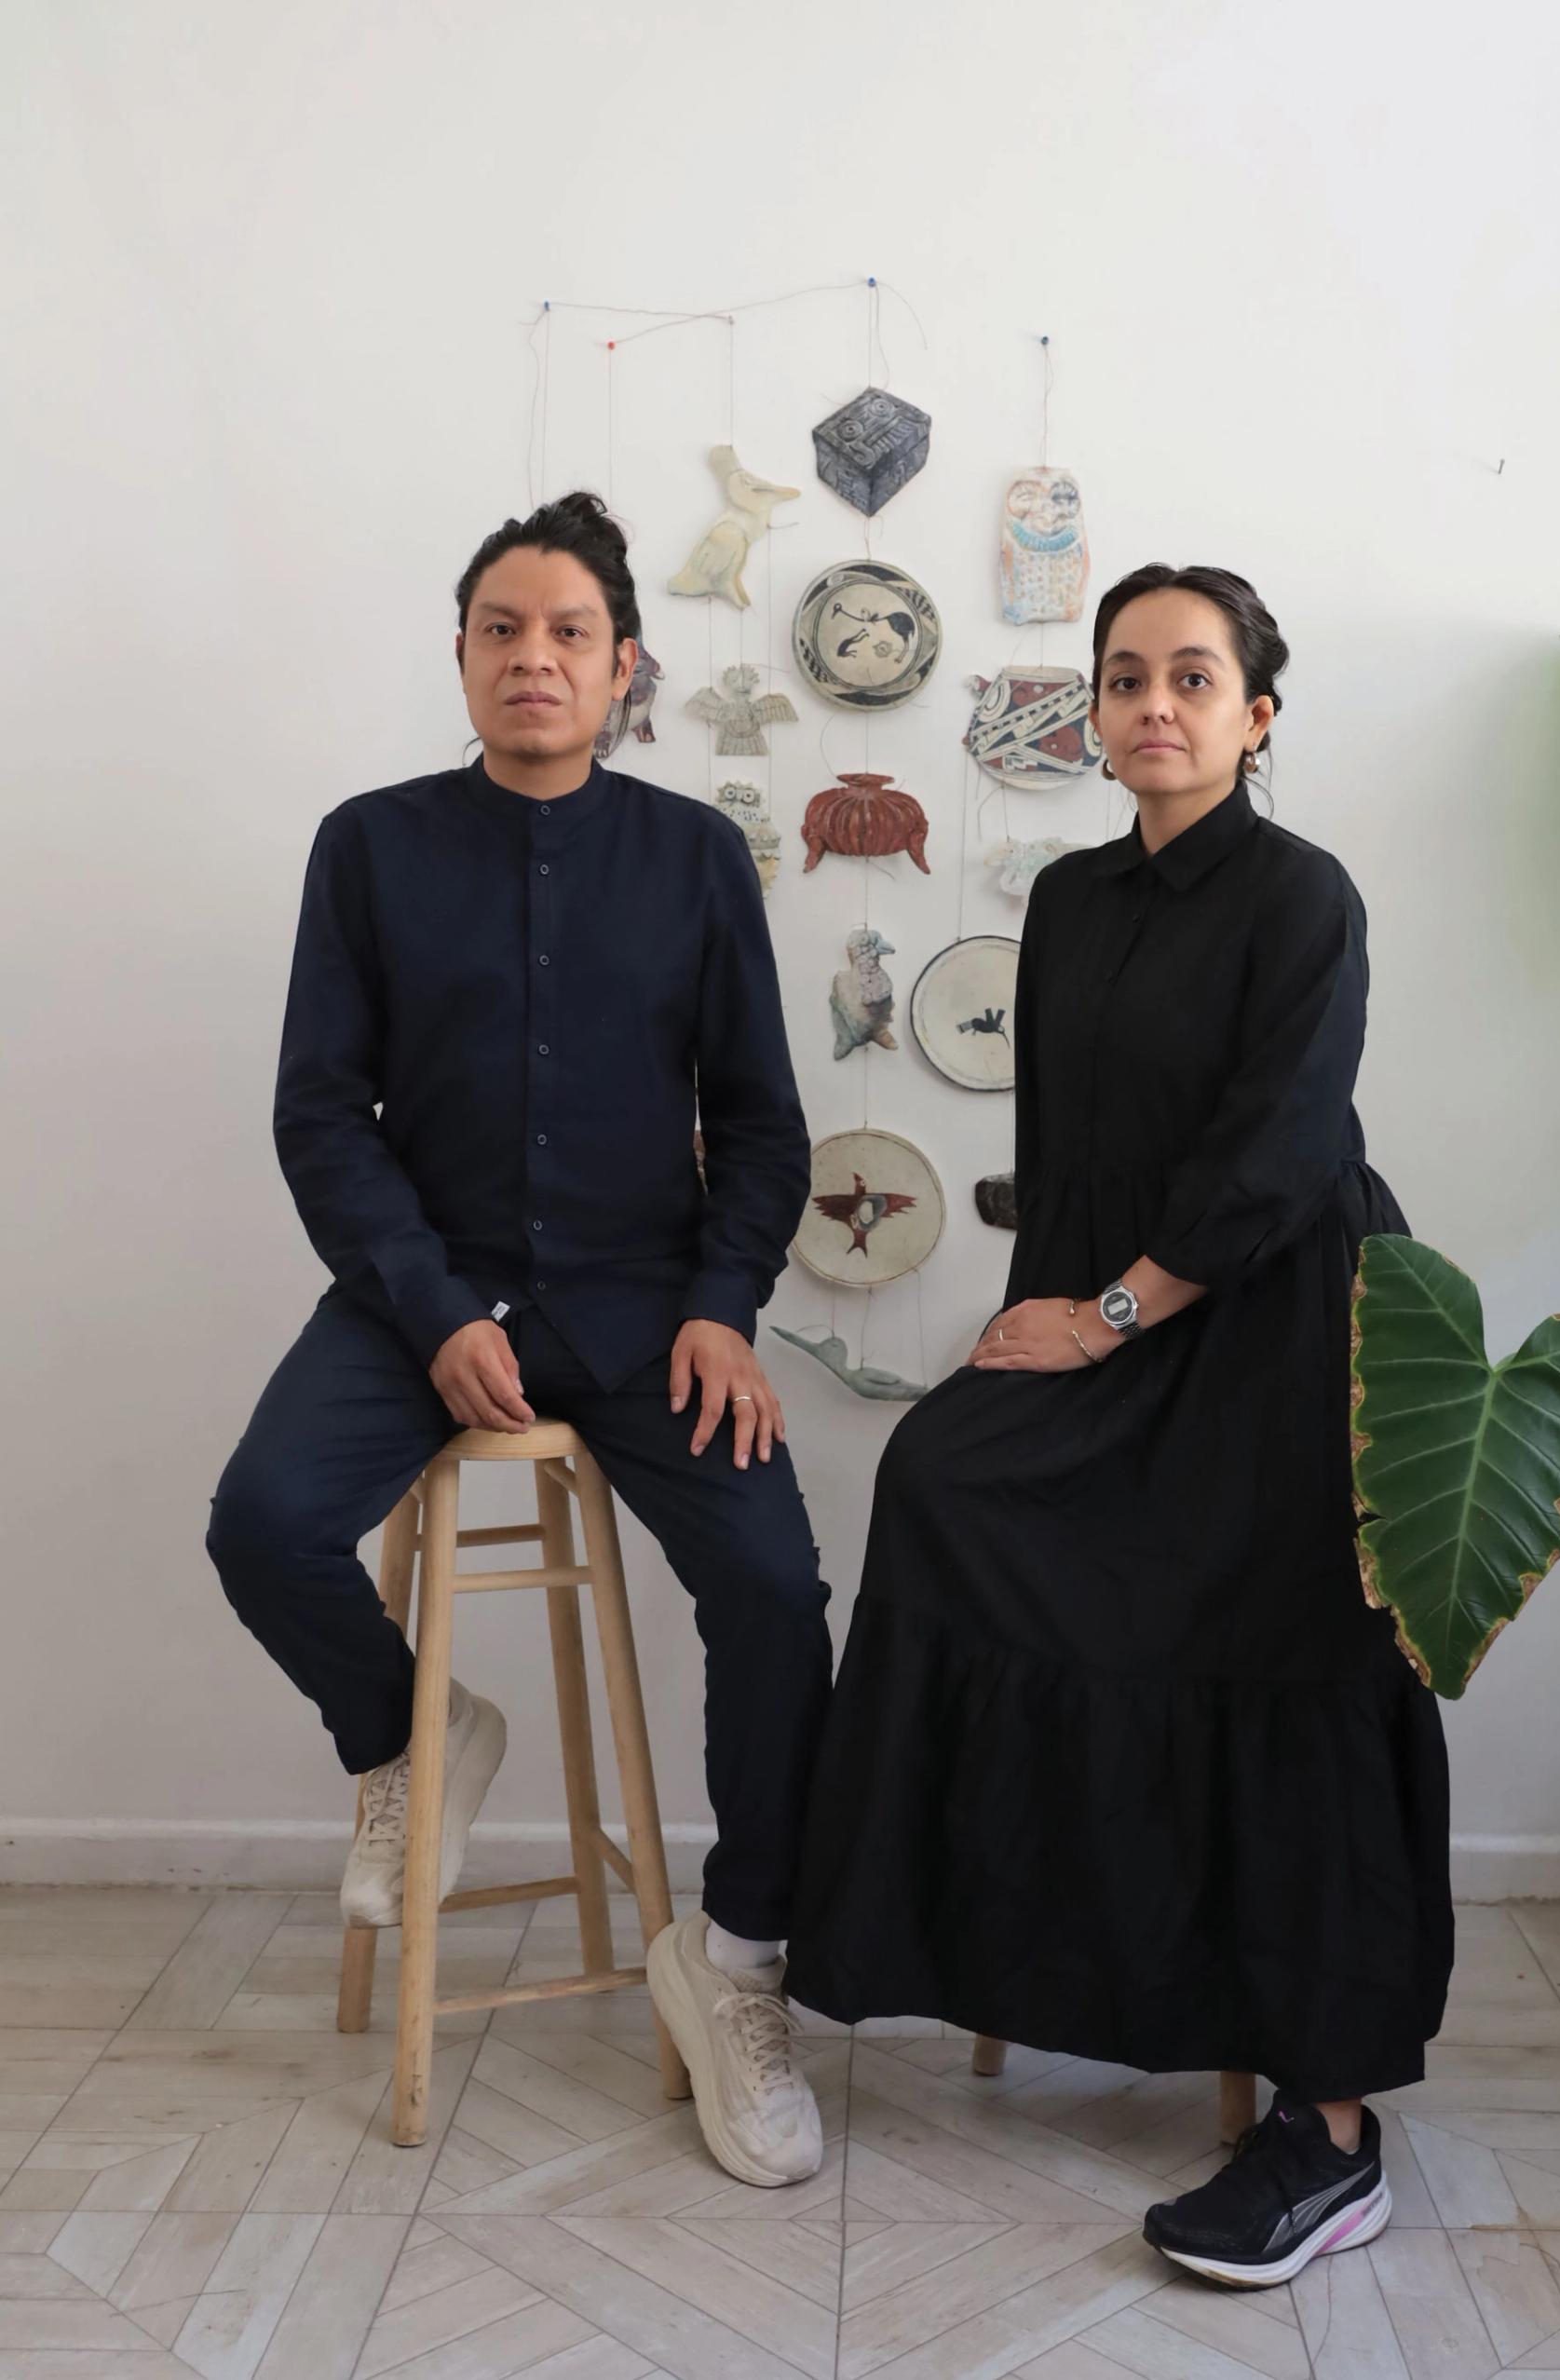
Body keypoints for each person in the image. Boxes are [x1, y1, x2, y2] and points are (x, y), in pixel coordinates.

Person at [783, 564, 1453, 2286]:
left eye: (1194, 677)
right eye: (1126, 675)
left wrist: (1113, 1317)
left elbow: (1281, 1151)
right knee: (943, 1484)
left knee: (1275, 1637)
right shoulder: (1074, 901)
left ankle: (1331, 2131)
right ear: (1092, 710)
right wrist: (1048, 1323)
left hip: (1280, 1325)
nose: (1155, 703)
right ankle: (1012, 1955)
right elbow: (1069, 1155)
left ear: (1257, 714)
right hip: (1118, 1314)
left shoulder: (1304, 896)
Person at [206, 492, 832, 2189]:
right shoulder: (370, 846)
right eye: (502, 630)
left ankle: (739, 1960)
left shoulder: (696, 859)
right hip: (420, 1295)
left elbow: (760, 1128)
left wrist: (723, 1308)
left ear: (626, 668)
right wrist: (432, 1310)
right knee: (260, 1522)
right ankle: (411, 1743)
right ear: (463, 655)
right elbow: (321, 1115)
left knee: (775, 1591)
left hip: (645, 1312)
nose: (533, 658)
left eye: (569, 633)